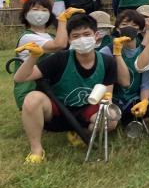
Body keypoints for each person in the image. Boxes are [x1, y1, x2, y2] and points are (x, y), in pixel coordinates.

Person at [14, 14, 118, 163]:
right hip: (58, 113)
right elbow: (20, 78)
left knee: (111, 118)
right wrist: (33, 57)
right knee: (32, 99)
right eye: (76, 36)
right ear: (69, 40)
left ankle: (81, 132)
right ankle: (36, 150)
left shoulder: (108, 62)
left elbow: (108, 95)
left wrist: (107, 112)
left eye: (86, 34)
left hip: (86, 113)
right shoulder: (59, 59)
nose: (82, 39)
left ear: (96, 36)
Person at [12, 0, 71, 109]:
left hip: (50, 89)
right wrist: (62, 20)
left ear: (49, 15)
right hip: (31, 91)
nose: (40, 13)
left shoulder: (51, 37)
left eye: (44, 10)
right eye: (35, 9)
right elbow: (60, 45)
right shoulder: (27, 37)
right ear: (25, 15)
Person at [100, 10, 149, 123]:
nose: (129, 28)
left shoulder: (144, 52)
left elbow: (146, 83)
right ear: (117, 29)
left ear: (140, 30)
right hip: (113, 97)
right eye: (124, 25)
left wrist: (144, 102)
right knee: (113, 119)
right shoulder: (106, 51)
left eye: (134, 25)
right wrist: (117, 52)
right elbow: (120, 82)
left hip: (134, 98)